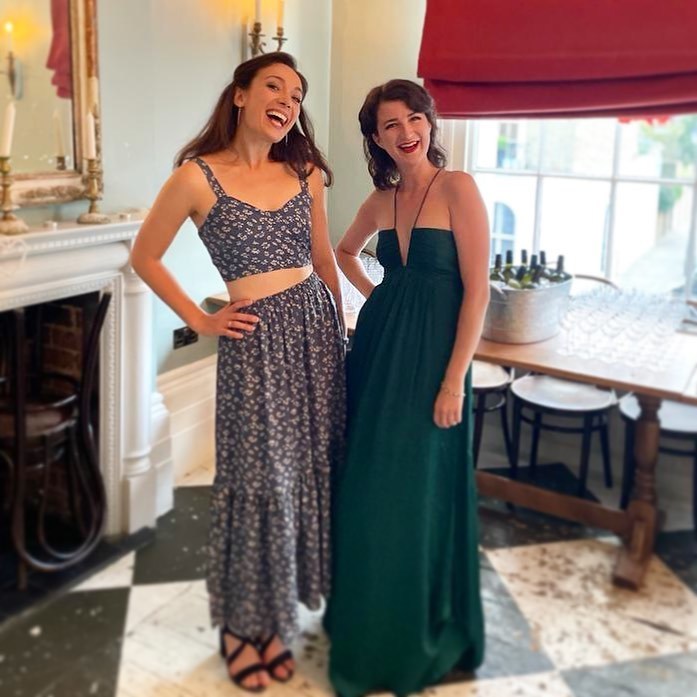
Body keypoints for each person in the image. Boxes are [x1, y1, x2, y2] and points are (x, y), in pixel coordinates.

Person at [130, 52, 346, 693]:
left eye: (297, 95)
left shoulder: (305, 172)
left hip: (314, 334)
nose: (288, 101)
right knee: (257, 482)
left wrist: (340, 329)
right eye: (274, 86)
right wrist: (200, 319)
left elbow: (323, 259)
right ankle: (238, 627)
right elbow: (145, 256)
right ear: (241, 95)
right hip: (254, 345)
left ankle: (276, 621)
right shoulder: (196, 177)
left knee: (306, 472)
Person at [325, 79, 489, 697]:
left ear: (430, 123)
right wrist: (379, 296)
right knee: (369, 485)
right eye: (390, 124)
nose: (406, 131)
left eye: (414, 118)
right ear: (376, 138)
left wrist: (454, 382)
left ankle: (416, 633)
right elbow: (344, 252)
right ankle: (366, 628)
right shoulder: (380, 199)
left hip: (434, 365)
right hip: (377, 353)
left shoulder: (458, 188)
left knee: (418, 492)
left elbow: (478, 292)